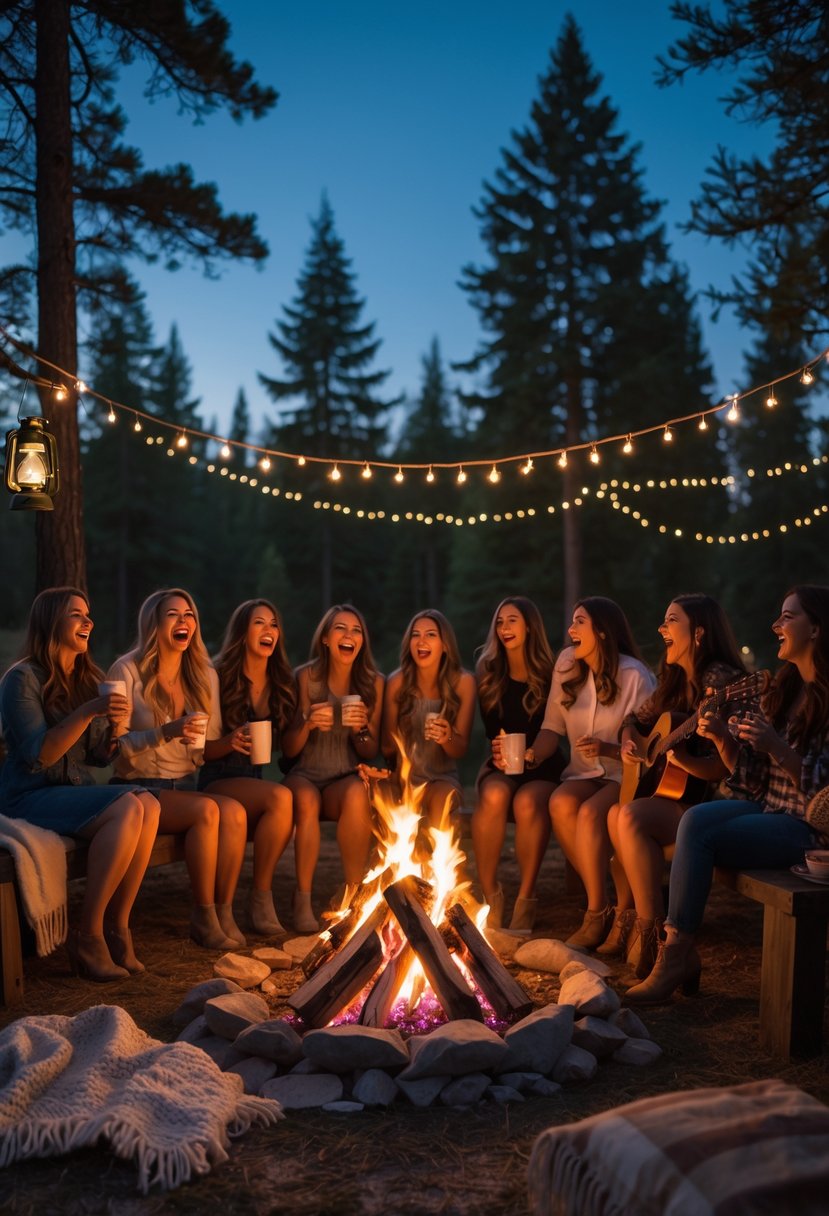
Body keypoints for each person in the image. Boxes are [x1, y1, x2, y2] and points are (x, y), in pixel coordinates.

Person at [625, 585, 829, 1005]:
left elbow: (823, 797)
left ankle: (675, 955)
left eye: (788, 617)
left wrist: (778, 748)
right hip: (767, 807)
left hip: (806, 829)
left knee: (703, 834)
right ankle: (677, 946)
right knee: (694, 819)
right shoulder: (782, 691)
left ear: (817, 630)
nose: (776, 625)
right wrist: (723, 740)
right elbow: (751, 781)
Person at [0, 587, 160, 981]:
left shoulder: (87, 677)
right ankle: (88, 936)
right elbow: (42, 755)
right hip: (28, 797)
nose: (88, 621)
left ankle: (116, 927)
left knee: (150, 804)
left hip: (67, 794)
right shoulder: (22, 679)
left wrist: (111, 736)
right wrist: (89, 711)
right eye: (76, 614)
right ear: (51, 621)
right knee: (129, 805)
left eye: (88, 614)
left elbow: (96, 758)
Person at [605, 594, 746, 976]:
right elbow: (630, 719)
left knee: (629, 815)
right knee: (617, 811)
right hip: (676, 798)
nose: (660, 629)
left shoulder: (721, 683)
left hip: (714, 802)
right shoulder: (672, 680)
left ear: (699, 632)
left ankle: (656, 939)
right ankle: (656, 937)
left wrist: (681, 760)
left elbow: (725, 769)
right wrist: (631, 738)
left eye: (671, 621)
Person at [108, 588, 248, 950]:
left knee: (232, 811)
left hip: (182, 786)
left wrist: (229, 742)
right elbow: (114, 748)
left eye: (189, 614)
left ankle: (223, 909)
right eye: (173, 614)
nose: (184, 621)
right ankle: (202, 917)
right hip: (137, 788)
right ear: (154, 624)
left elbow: (205, 746)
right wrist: (163, 732)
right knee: (206, 810)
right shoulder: (126, 670)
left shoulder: (204, 675)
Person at [530, 596, 655, 949]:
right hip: (583, 773)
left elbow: (650, 749)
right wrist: (528, 756)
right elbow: (551, 727)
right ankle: (603, 906)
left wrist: (608, 750)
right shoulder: (567, 664)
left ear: (601, 631)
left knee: (589, 813)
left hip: (627, 775)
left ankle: (602, 913)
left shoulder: (634, 675)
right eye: (571, 622)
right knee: (560, 802)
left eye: (579, 622)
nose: (570, 630)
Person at [197, 599, 297, 936]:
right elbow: (200, 750)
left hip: (253, 784)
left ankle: (257, 901)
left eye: (273, 624)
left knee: (286, 803)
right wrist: (229, 742)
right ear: (242, 632)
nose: (268, 630)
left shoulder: (281, 680)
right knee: (281, 798)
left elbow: (290, 746)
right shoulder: (217, 674)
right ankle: (250, 903)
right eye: (259, 623)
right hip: (218, 778)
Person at [282, 604, 384, 931]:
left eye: (356, 630)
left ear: (362, 641)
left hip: (343, 776)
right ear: (326, 639)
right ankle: (302, 899)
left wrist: (361, 729)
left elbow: (370, 750)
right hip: (305, 774)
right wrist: (308, 723)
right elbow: (288, 748)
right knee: (307, 801)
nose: (349, 635)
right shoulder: (306, 677)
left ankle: (355, 897)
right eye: (340, 628)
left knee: (358, 792)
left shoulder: (373, 683)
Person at [471, 597, 564, 932]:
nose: (504, 628)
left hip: (543, 762)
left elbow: (556, 728)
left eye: (512, 621)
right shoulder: (488, 670)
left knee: (527, 802)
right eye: (500, 622)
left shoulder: (551, 671)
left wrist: (533, 755)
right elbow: (491, 727)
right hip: (504, 762)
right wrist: (497, 749)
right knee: (494, 796)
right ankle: (491, 894)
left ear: (529, 626)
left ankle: (526, 897)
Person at [382, 609, 476, 832]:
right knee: (387, 805)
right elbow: (386, 748)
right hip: (402, 779)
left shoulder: (464, 682)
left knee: (442, 802)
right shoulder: (397, 682)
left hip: (441, 777)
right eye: (416, 634)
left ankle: (439, 867)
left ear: (445, 645)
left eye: (431, 635)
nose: (421, 641)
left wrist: (447, 736)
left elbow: (460, 749)